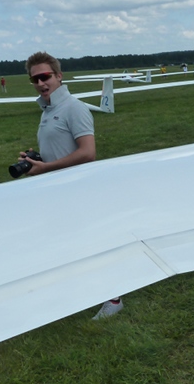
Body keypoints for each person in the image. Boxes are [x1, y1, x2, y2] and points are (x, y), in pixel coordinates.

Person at [20, 51, 121, 319]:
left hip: (79, 190)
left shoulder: (74, 108)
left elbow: (88, 153)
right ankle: (81, 290)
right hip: (57, 191)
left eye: (45, 77)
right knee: (67, 242)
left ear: (59, 76)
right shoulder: (48, 110)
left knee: (92, 242)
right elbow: (59, 150)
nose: (41, 83)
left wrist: (45, 168)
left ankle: (114, 298)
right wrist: (36, 160)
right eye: (35, 79)